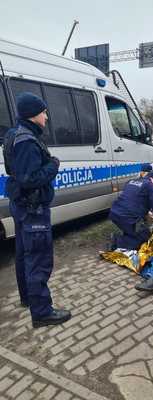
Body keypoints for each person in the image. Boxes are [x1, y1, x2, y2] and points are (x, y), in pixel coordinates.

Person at [3, 92, 71, 328]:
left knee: (24, 255)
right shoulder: (28, 142)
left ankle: (27, 298)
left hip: (20, 206)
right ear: (33, 114)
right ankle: (42, 312)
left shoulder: (14, 135)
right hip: (33, 209)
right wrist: (53, 165)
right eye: (44, 112)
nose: (46, 117)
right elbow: (30, 178)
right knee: (39, 259)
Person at [109, 171, 153, 250]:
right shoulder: (150, 185)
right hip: (127, 218)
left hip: (114, 213)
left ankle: (128, 234)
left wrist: (147, 212)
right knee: (145, 238)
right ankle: (117, 241)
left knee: (136, 231)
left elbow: (134, 200)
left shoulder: (132, 181)